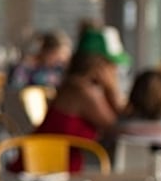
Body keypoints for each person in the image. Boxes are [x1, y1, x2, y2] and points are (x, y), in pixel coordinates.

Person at [34, 30, 127, 170]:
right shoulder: (84, 92)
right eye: (112, 64)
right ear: (98, 64)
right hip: (44, 172)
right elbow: (118, 128)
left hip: (50, 168)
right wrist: (112, 88)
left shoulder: (73, 85)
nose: (115, 70)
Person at [5, 29, 70, 94]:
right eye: (58, 56)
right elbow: (15, 91)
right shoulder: (24, 69)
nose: (61, 61)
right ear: (48, 52)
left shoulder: (58, 70)